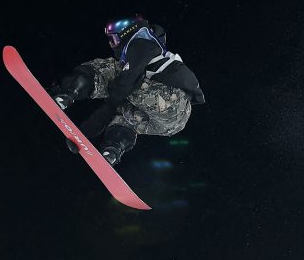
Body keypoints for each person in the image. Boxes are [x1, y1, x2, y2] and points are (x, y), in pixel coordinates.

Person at [51, 15, 205, 166]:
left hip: (169, 97)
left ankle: (70, 91)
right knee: (126, 111)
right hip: (172, 122)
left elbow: (125, 83)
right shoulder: (148, 51)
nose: (112, 45)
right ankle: (113, 148)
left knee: (109, 71)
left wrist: (91, 126)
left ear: (126, 33)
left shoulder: (142, 43)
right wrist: (83, 136)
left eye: (114, 39)